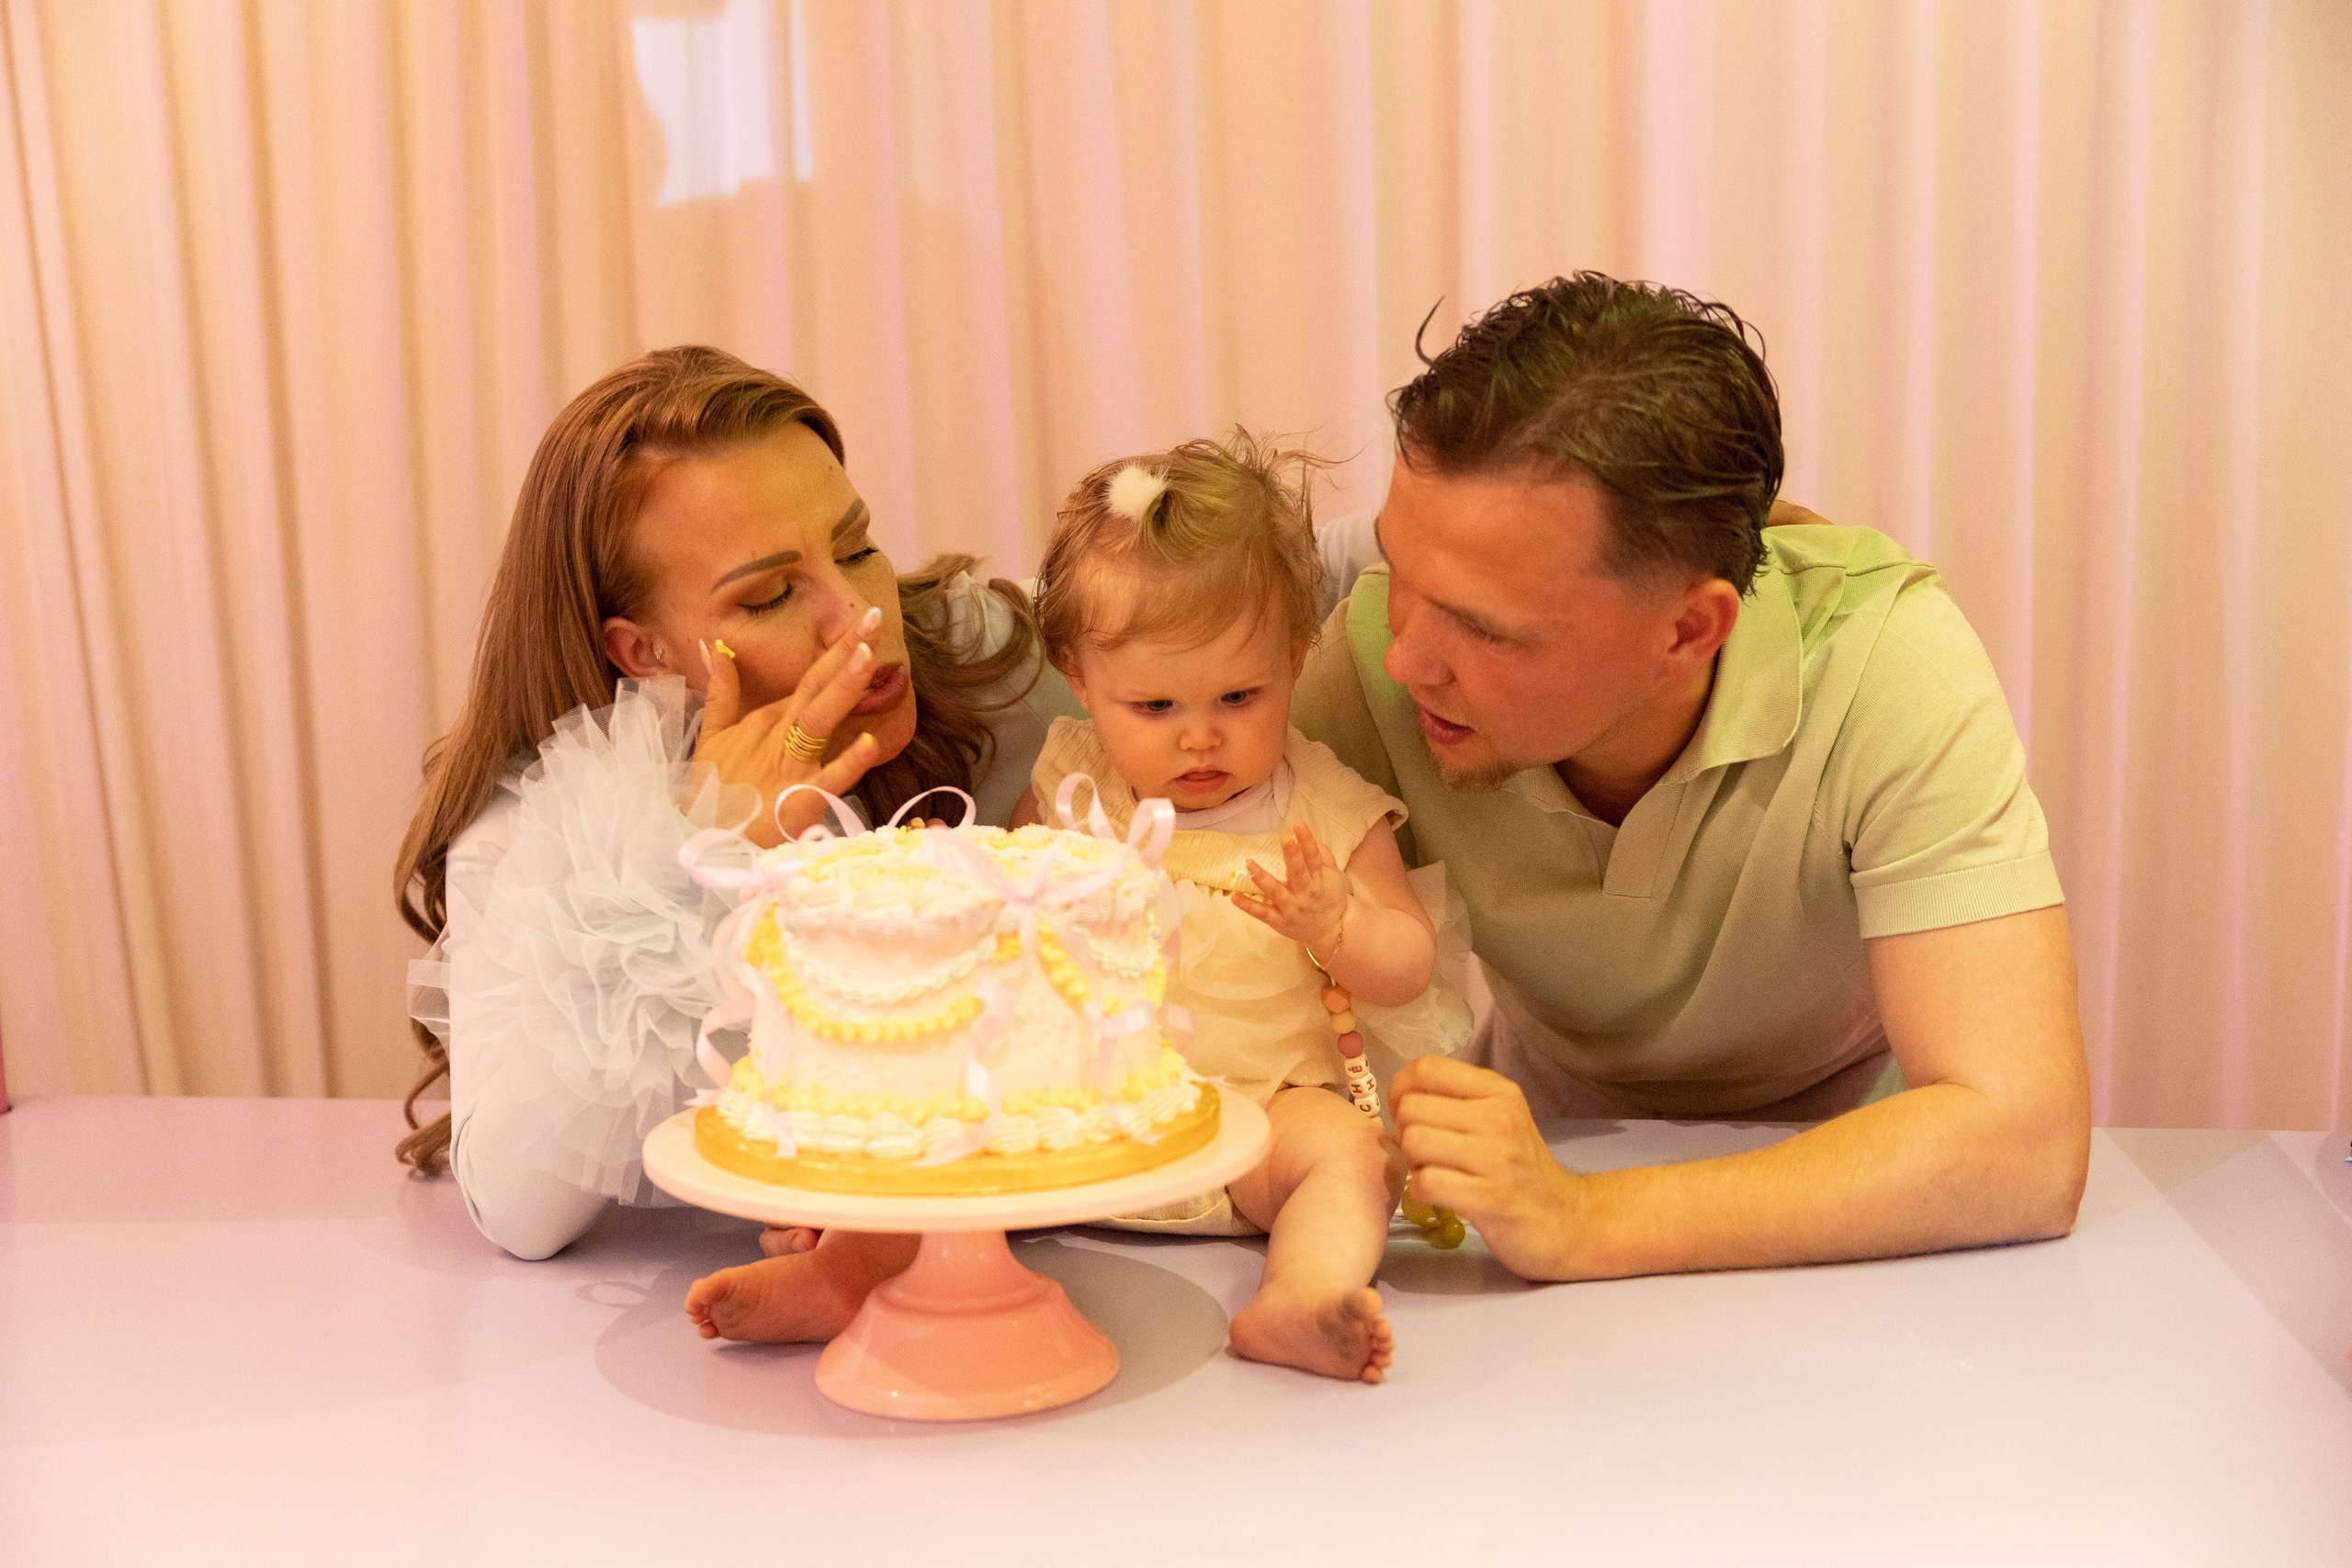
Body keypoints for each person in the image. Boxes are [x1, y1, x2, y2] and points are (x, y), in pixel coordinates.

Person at [1291, 273, 2093, 1283]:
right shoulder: (1369, 658)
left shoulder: (1887, 664)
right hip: (1533, 1151)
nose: (1407, 655)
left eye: (1485, 629)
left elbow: (2022, 1142)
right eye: (1400, 573)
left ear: (1689, 630)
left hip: (1869, 1198)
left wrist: (1585, 1218)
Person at [684, 433, 1471, 1380]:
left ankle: (1303, 1294)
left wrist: (1338, 924)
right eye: (1155, 708)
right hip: (1068, 1117)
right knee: (935, 1137)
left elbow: (1409, 961)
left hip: (1264, 1113)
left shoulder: (1323, 805)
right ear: (1080, 676)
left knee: (1352, 1157)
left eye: (1238, 695)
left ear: (1295, 657)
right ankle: (843, 1276)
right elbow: (1002, 921)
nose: (1200, 736)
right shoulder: (1069, 784)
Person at [396, 347, 1084, 1314]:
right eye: (768, 596)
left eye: (856, 547)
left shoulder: (989, 670)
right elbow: (519, 1210)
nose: (859, 619)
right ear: (644, 651)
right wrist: (707, 856)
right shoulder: (537, 834)